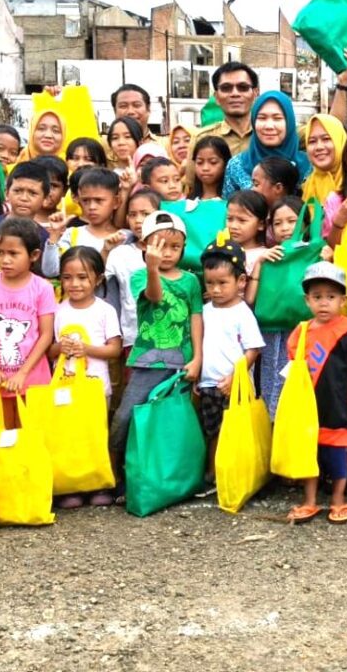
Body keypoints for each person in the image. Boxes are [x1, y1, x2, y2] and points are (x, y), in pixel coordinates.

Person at [108, 211, 203, 500]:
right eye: (159, 246)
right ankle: (115, 474)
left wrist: (197, 357)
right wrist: (151, 269)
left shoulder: (190, 281)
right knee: (127, 416)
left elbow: (196, 318)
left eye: (175, 247)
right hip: (147, 362)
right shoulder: (140, 276)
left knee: (170, 423)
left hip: (181, 362)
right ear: (146, 245)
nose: (167, 253)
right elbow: (154, 297)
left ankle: (172, 478)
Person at [285, 262, 347, 524]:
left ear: (343, 300)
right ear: (307, 300)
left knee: (338, 459)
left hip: (340, 408)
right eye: (317, 297)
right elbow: (292, 369)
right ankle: (309, 501)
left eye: (331, 297)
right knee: (309, 458)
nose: (324, 303)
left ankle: (337, 499)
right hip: (309, 409)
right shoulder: (300, 333)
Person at [50, 247, 122, 508]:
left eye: (82, 277)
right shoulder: (58, 310)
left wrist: (87, 349)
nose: (74, 284)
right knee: (70, 437)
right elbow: (49, 348)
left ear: (98, 279)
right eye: (67, 277)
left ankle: (98, 484)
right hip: (65, 388)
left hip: (96, 387)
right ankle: (71, 487)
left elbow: (114, 350)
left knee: (95, 436)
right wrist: (62, 348)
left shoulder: (105, 311)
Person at [0, 217, 56, 427]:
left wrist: (23, 373)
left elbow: (45, 335)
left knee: (31, 434)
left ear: (34, 255)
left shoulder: (42, 288)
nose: (5, 260)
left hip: (33, 377)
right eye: (0, 252)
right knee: (3, 434)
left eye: (13, 254)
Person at [196, 239, 264, 491]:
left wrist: (235, 375)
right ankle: (212, 473)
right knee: (211, 430)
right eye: (210, 283)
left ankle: (231, 472)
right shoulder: (205, 310)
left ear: (241, 282)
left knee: (232, 430)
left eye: (223, 283)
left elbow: (253, 349)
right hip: (208, 384)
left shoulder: (242, 312)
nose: (215, 289)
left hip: (233, 386)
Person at [246, 195, 311, 416]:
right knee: (270, 376)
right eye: (277, 223)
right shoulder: (269, 255)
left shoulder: (314, 252)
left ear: (305, 222)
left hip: (302, 331)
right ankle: (270, 427)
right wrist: (260, 263)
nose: (285, 228)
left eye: (291, 221)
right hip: (271, 330)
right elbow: (250, 300)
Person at [0, 162, 57, 293]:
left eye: (32, 193)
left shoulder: (44, 238)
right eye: (18, 191)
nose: (24, 198)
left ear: (45, 198)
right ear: (6, 192)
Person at [222, 91, 310, 196]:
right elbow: (228, 208)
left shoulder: (310, 166)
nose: (269, 126)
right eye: (262, 118)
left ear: (289, 122)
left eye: (277, 118)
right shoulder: (237, 166)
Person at [104, 188, 159, 355]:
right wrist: (105, 251)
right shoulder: (120, 253)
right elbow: (101, 284)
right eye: (133, 215)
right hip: (133, 335)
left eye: (145, 214)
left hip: (167, 334)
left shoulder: (170, 252)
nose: (138, 220)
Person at [54, 168, 128, 254]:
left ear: (116, 202)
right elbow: (54, 267)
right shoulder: (72, 235)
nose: (91, 207)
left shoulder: (126, 237)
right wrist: (54, 236)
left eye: (99, 200)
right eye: (85, 200)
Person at [195, 62, 259, 155]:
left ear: (255, 93)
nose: (235, 94)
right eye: (226, 88)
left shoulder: (269, 135)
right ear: (216, 97)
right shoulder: (202, 138)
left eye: (243, 87)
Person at [301, 114, 347, 205]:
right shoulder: (310, 185)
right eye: (312, 141)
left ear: (340, 141)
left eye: (326, 139)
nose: (319, 147)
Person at [224, 190, 269, 274]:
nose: (233, 226)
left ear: (261, 224)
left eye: (242, 220)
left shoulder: (265, 256)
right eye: (229, 219)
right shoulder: (221, 251)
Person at [189, 136, 231, 201]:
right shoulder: (188, 202)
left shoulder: (233, 201)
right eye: (200, 162)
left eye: (213, 162)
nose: (205, 168)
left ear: (226, 163)